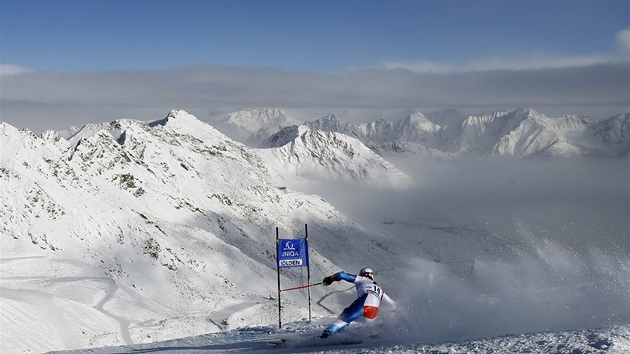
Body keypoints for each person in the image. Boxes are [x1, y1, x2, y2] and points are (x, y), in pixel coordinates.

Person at [320, 267, 395, 338]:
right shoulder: (380, 289)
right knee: (350, 317)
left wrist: (330, 279)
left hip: (364, 303)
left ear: (363, 274)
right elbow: (392, 304)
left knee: (344, 317)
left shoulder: (363, 279)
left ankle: (328, 335)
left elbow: (341, 275)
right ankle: (372, 334)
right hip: (373, 313)